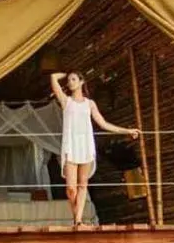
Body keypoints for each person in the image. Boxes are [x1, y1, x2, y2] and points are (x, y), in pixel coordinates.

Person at [50, 71, 140, 227]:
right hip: (71, 145)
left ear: (81, 82)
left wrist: (127, 130)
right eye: (69, 80)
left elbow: (103, 124)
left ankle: (77, 220)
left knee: (83, 184)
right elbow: (53, 78)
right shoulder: (66, 101)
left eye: (73, 79)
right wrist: (63, 74)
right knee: (71, 188)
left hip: (85, 145)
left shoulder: (89, 104)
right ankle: (77, 218)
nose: (70, 82)